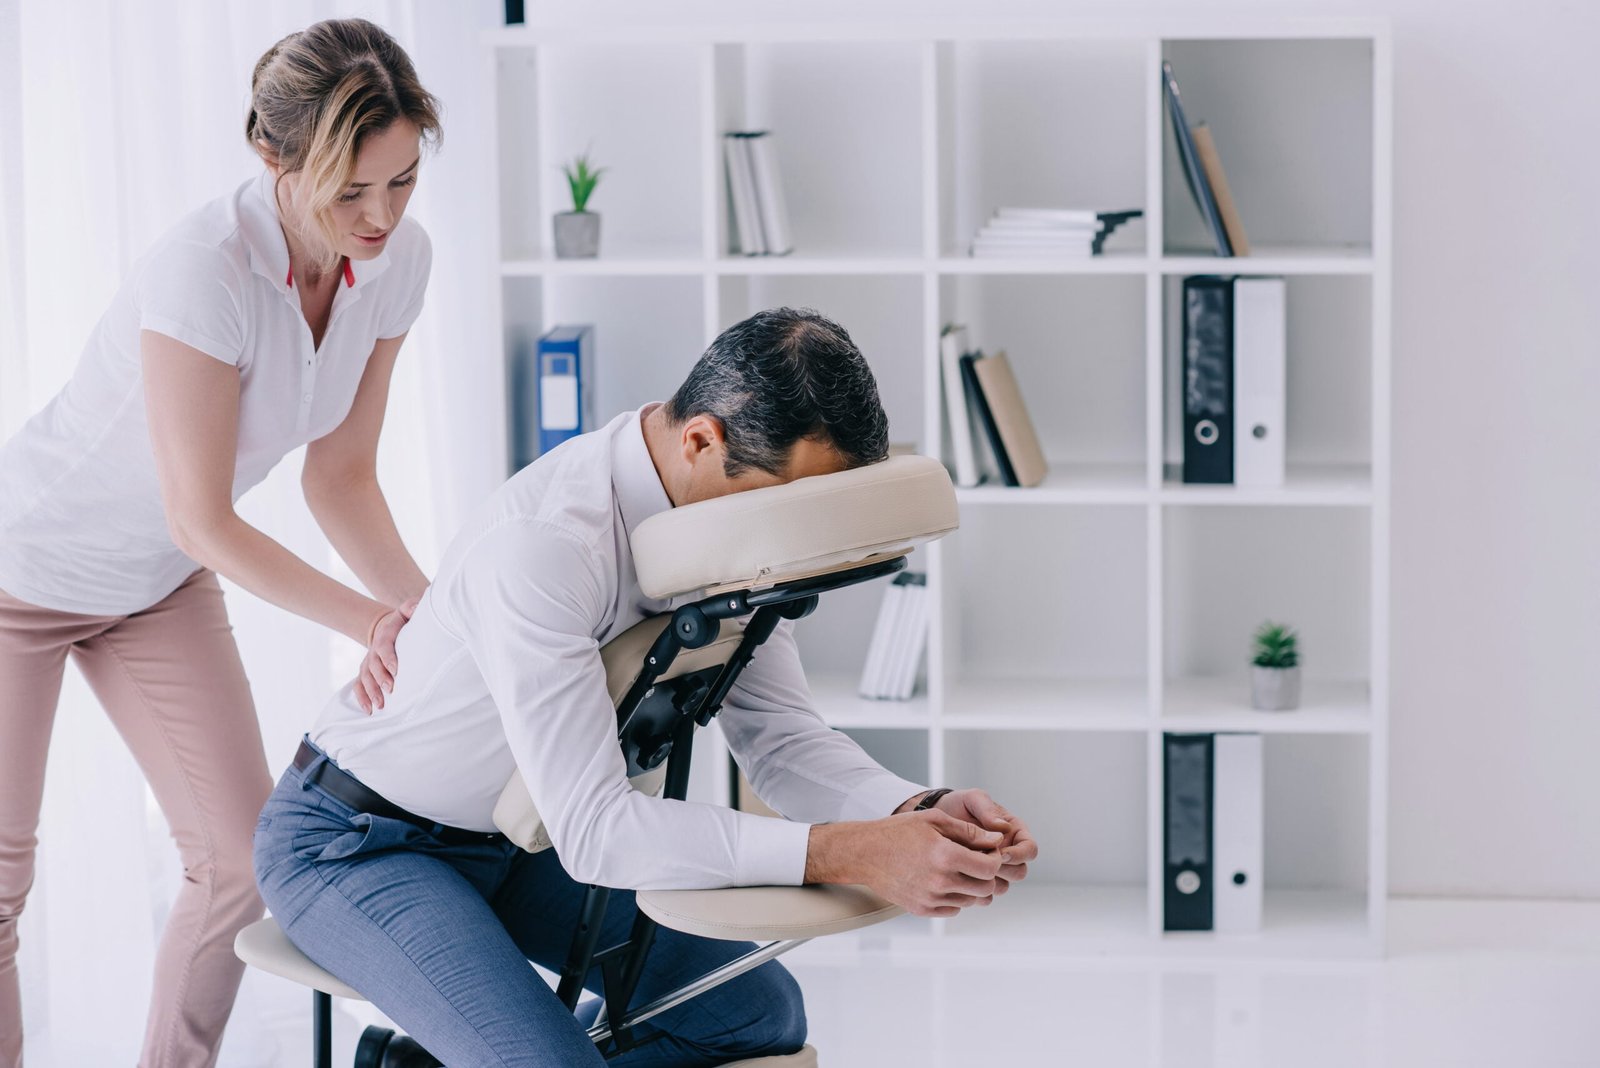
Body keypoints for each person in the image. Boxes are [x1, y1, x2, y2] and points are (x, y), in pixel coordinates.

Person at [252, 308, 1039, 1067]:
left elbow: (782, 740)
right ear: (702, 440)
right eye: (790, 502)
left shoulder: (743, 529)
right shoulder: (548, 546)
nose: (797, 538)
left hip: (523, 845)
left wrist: (911, 813)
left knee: (755, 1012)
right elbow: (597, 831)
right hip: (359, 844)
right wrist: (846, 852)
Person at [0, 18, 439, 1067]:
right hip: (23, 574)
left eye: (403, 181)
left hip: (154, 584)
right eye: (350, 191)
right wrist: (372, 622)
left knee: (242, 863)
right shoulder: (205, 267)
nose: (379, 216)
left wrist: (433, 618)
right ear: (273, 157)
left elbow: (340, 476)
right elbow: (203, 512)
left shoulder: (397, 262)